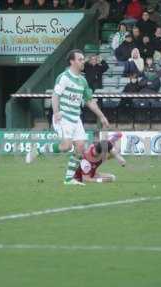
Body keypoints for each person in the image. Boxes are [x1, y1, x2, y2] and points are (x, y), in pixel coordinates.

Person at [25, 49, 110, 186]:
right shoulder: (63, 77)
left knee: (81, 148)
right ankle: (38, 150)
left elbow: (89, 101)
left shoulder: (83, 81)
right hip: (63, 117)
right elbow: (55, 95)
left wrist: (102, 116)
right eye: (80, 59)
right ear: (72, 61)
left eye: (83, 59)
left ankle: (69, 179)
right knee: (66, 146)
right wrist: (56, 111)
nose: (83, 61)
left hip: (76, 119)